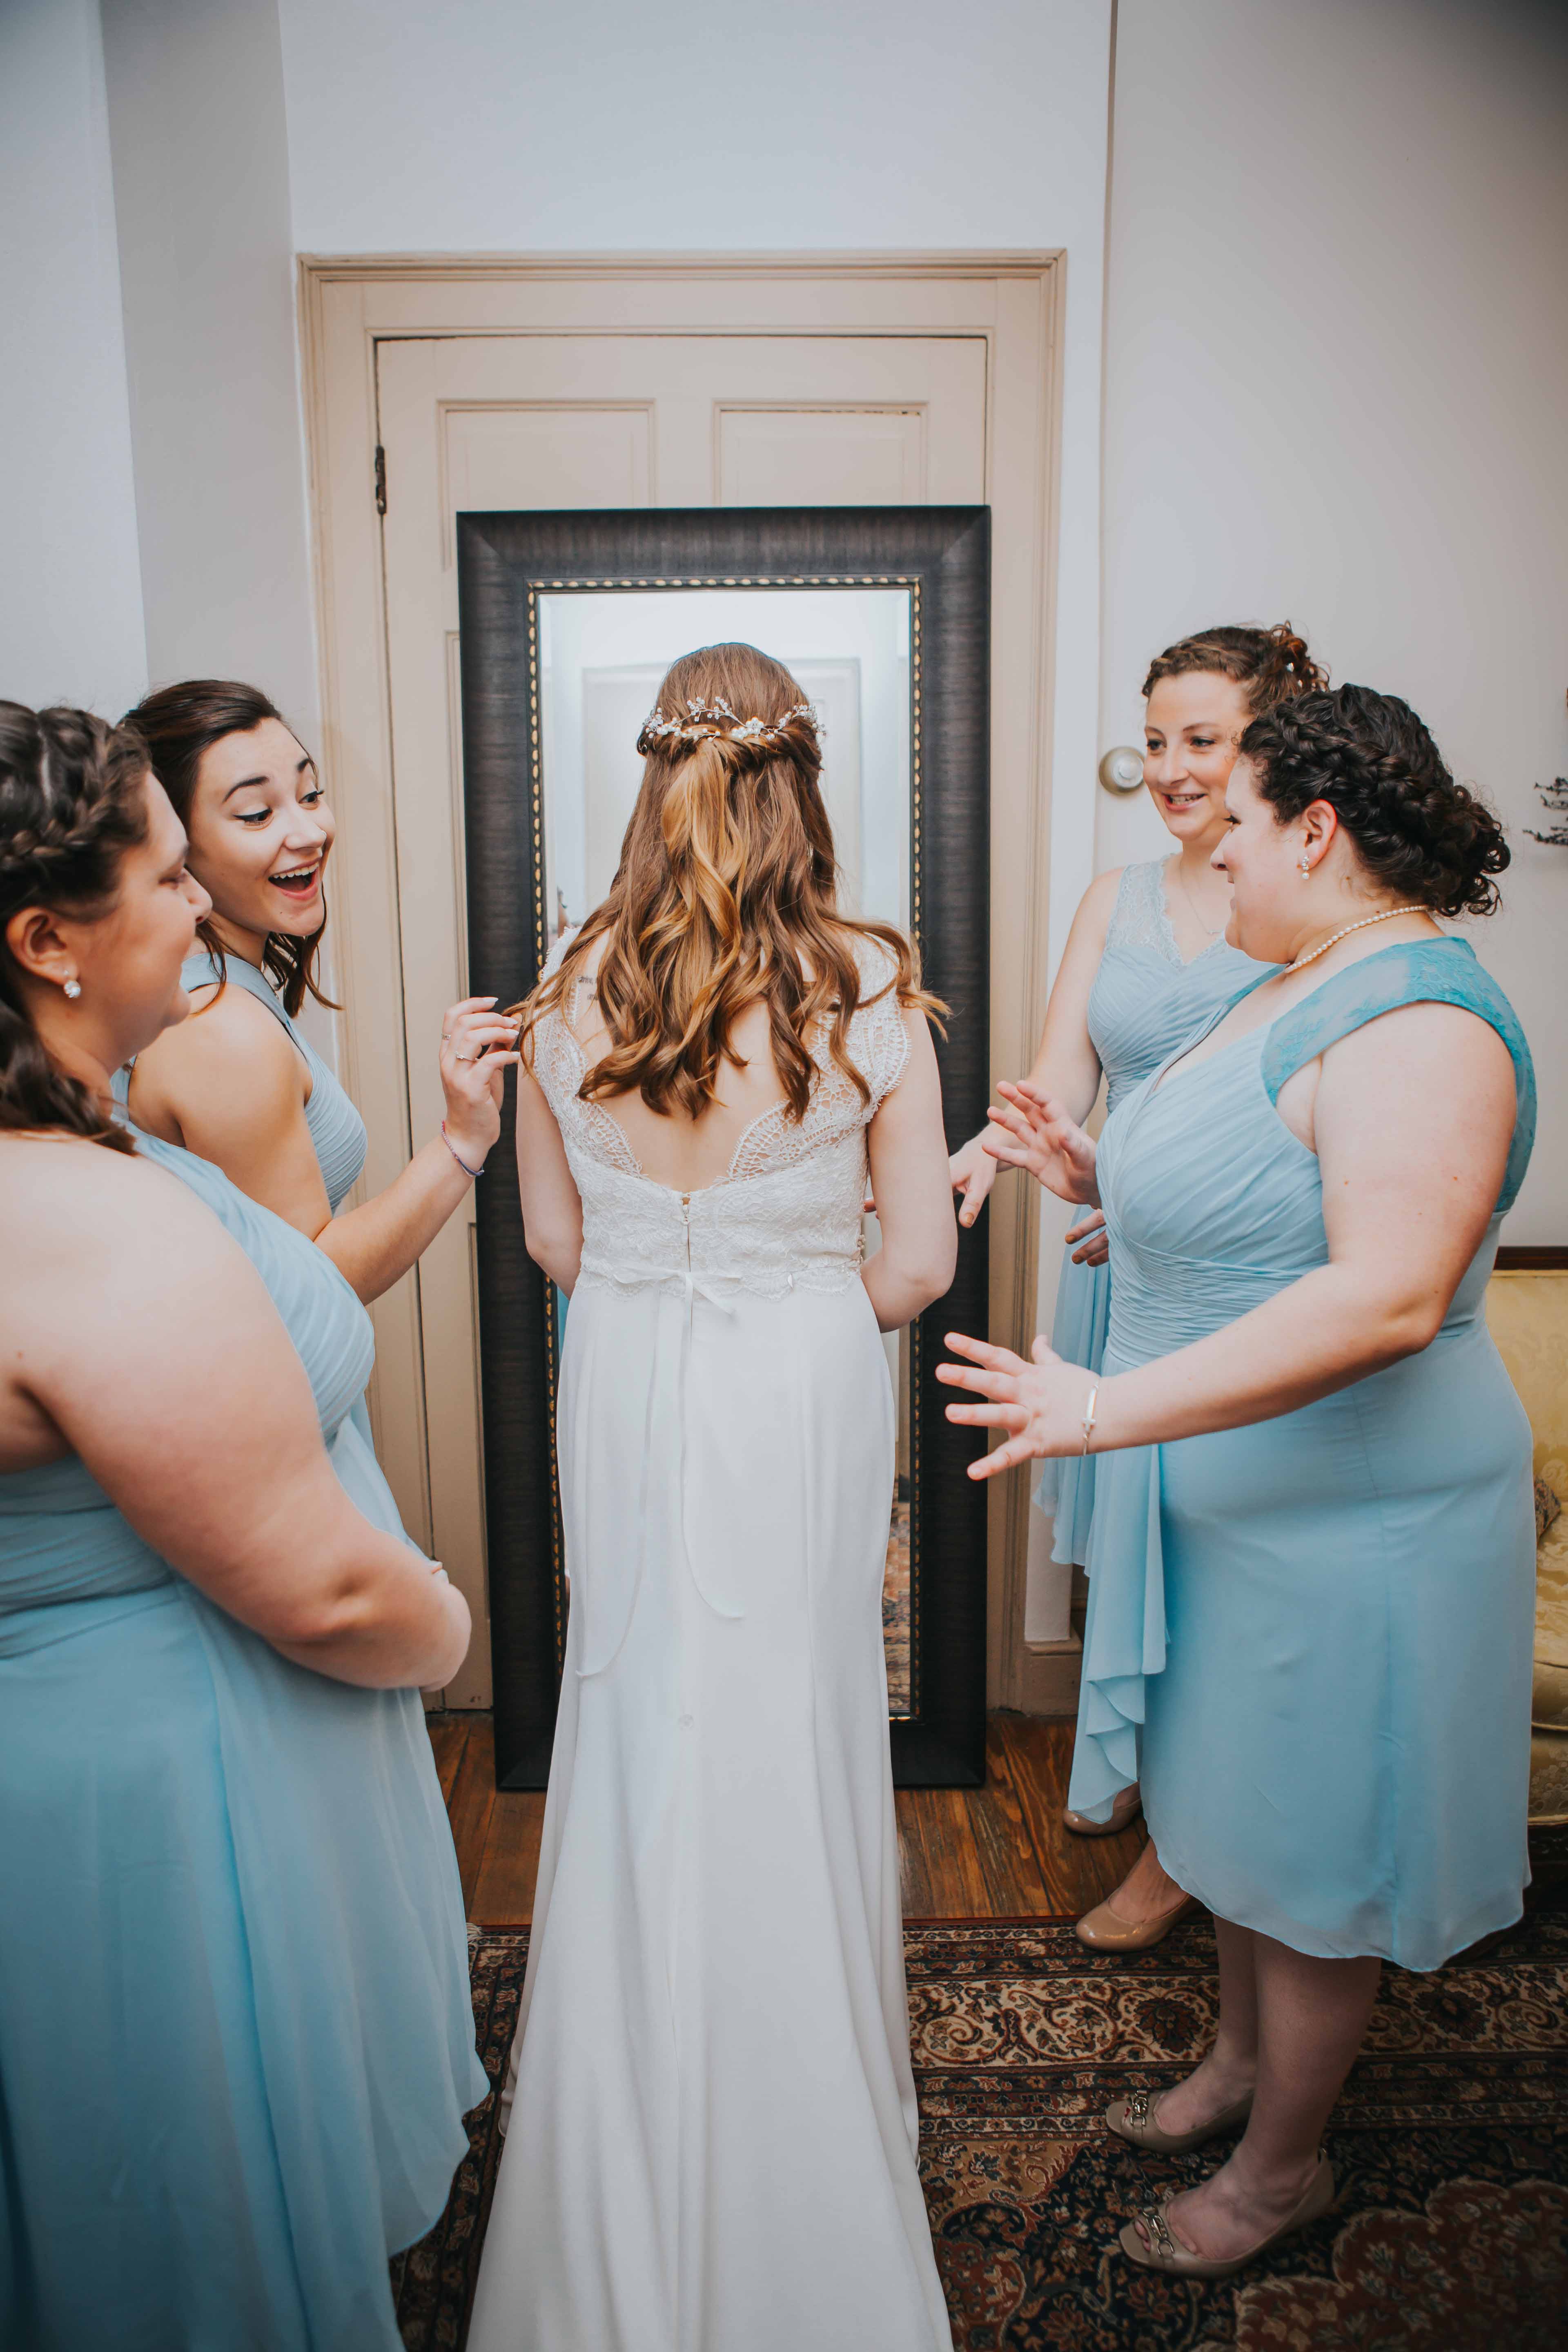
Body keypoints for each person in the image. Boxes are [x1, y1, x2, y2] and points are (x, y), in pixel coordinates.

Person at [940, 684, 1532, 2280]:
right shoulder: (1303, 979)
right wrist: (1106, 1183)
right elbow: (1273, 1183)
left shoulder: (1420, 1018)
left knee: (1317, 1850)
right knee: (1244, 1823)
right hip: (1251, 1509)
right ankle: (1235, 2067)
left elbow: (1387, 1295)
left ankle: (1284, 2171)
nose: (1218, 854)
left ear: (1316, 830)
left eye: (1243, 825)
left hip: (1362, 1524)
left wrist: (1103, 1406)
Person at [466, 645, 958, 2352]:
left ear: (650, 781)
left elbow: (554, 1243)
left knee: (635, 1703)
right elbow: (919, 1265)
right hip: (800, 1382)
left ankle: (618, 2131)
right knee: (790, 1710)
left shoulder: (564, 989)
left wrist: (670, 1282)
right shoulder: (868, 986)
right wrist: (794, 1296)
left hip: (621, 1366)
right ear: (801, 789)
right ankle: (805, 2128)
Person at [0, 704, 487, 2349]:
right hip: (148, 1787)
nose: (197, 902)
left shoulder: (87, 1135)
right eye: (165, 873)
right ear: (46, 944)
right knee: (174, 2218)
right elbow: (327, 1595)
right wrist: (438, 1622)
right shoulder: (84, 1213)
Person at [951, 621, 1327, 1953]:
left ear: (1272, 749)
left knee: (1222, 1568)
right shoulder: (1115, 896)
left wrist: (1163, 1200)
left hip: (1237, 1282)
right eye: (1155, 739)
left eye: (1202, 740)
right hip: (1117, 1273)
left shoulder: (1309, 898)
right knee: (1139, 1545)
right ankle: (1142, 1758)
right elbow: (1063, 1074)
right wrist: (985, 1150)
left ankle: (1187, 1846)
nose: (1169, 767)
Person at [120, 679, 518, 1304]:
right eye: (257, 813)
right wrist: (463, 1141)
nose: (309, 832)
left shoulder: (223, 985)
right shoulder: (220, 1027)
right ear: (174, 844)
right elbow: (309, 1286)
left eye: (310, 795)